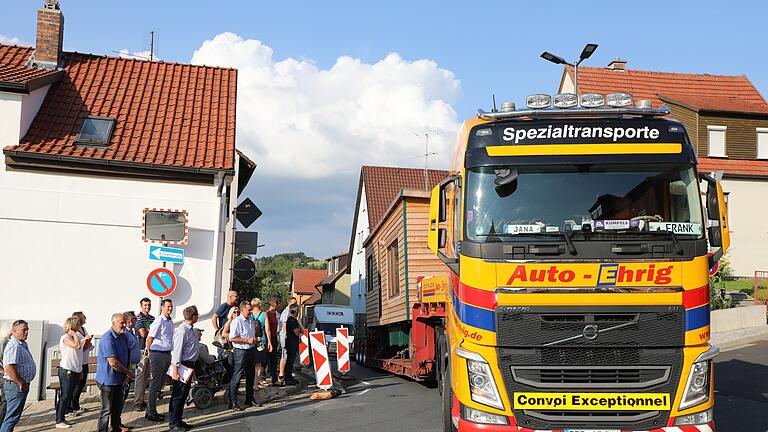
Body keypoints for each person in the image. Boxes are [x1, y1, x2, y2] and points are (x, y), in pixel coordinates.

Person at [95, 313, 133, 432]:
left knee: (117, 407)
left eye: (124, 323)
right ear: (113, 323)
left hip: (119, 379)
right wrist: (128, 372)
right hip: (108, 380)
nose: (124, 325)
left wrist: (128, 371)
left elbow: (129, 353)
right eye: (121, 323)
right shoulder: (107, 338)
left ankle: (116, 429)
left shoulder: (123, 335)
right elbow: (113, 363)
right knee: (106, 410)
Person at [0, 320, 36, 432]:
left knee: (11, 417)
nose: (26, 332)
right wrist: (21, 382)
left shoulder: (22, 343)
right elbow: (9, 368)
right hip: (15, 386)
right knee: (11, 418)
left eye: (27, 330)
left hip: (18, 385)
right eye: (23, 330)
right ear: (14, 331)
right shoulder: (14, 345)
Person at [168, 306, 200, 431]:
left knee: (183, 394)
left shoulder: (191, 330)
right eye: (196, 315)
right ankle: (173, 423)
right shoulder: (182, 331)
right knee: (178, 394)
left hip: (190, 365)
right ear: (193, 317)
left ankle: (179, 420)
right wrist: (175, 370)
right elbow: (176, 351)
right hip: (183, 365)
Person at [144, 299, 174, 422]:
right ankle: (151, 412)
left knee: (161, 384)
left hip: (166, 354)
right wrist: (149, 353)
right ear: (162, 307)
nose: (170, 309)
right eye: (168, 307)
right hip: (158, 354)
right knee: (155, 384)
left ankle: (150, 410)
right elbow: (149, 338)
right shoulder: (159, 320)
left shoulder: (170, 321)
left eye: (171, 307)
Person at [228, 301, 257, 411]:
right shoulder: (237, 321)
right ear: (242, 310)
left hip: (251, 350)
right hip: (240, 351)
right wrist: (246, 340)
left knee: (251, 375)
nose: (250, 312)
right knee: (237, 376)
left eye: (251, 310)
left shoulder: (250, 320)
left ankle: (249, 399)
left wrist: (254, 340)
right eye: (249, 310)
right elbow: (232, 338)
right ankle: (233, 401)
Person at [55, 317, 83, 429]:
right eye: (76, 325)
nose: (78, 327)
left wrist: (80, 370)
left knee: (69, 395)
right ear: (71, 326)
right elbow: (77, 346)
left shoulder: (74, 337)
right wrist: (74, 334)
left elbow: (78, 355)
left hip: (75, 370)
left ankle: (63, 418)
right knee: (64, 396)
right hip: (67, 370)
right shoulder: (65, 337)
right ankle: (59, 420)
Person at [69, 312, 94, 417]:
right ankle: (72, 407)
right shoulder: (73, 331)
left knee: (81, 384)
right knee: (76, 385)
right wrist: (85, 342)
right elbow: (78, 346)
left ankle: (76, 405)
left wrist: (89, 342)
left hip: (84, 361)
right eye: (84, 317)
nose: (86, 318)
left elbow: (85, 345)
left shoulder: (83, 329)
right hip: (77, 362)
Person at [132, 298, 154, 411]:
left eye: (149, 305)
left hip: (150, 349)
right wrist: (151, 330)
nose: (147, 307)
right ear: (141, 306)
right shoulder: (138, 318)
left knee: (146, 377)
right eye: (145, 305)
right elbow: (142, 333)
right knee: (139, 376)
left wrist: (149, 330)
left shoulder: (152, 318)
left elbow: (156, 332)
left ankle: (142, 399)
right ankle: (137, 402)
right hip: (140, 350)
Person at [219, 306, 239, 408]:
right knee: (231, 372)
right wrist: (233, 336)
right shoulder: (230, 322)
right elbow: (224, 334)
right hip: (229, 350)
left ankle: (233, 392)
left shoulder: (239, 322)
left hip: (236, 350)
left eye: (237, 312)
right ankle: (230, 394)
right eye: (234, 312)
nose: (236, 314)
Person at [122, 312, 141, 403]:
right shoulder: (125, 333)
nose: (136, 321)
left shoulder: (131, 332)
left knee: (129, 382)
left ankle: (122, 400)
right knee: (125, 382)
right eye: (134, 319)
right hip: (128, 363)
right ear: (129, 321)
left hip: (133, 363)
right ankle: (120, 401)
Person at [212, 291, 238, 357]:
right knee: (223, 355)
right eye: (235, 296)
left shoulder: (234, 307)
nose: (237, 298)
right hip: (223, 337)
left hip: (230, 335)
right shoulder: (224, 306)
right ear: (230, 297)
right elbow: (214, 317)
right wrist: (217, 329)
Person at [278, 297, 297, 385]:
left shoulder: (289, 312)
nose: (295, 305)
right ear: (290, 303)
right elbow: (285, 324)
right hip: (285, 337)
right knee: (285, 356)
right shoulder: (286, 312)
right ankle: (282, 375)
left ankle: (285, 375)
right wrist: (286, 336)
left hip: (286, 337)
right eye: (294, 303)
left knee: (286, 356)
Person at [249, 298, 267, 388]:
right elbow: (267, 329)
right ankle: (255, 384)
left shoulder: (249, 314)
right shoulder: (264, 314)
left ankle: (252, 382)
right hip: (261, 340)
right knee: (259, 364)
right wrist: (270, 342)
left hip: (251, 340)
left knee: (251, 363)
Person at [283, 304, 302, 386]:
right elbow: (297, 333)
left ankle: (289, 377)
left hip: (292, 342)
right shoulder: (292, 321)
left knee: (290, 361)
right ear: (296, 312)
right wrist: (300, 328)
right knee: (290, 361)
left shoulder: (292, 320)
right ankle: (288, 378)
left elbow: (301, 330)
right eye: (298, 311)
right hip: (291, 343)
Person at [0, 321, 13, 426]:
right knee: (5, 401)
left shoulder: (3, 341)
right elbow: (6, 361)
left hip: (4, 374)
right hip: (5, 376)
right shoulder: (6, 342)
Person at [264, 300, 279, 385]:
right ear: (274, 305)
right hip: (268, 339)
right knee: (266, 359)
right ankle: (262, 377)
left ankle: (274, 378)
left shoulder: (274, 314)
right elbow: (267, 328)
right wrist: (269, 341)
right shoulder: (268, 314)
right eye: (277, 304)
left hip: (274, 337)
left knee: (274, 359)